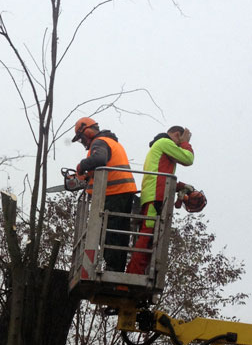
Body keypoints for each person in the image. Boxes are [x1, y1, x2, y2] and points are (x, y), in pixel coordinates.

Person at [72, 116, 137, 272]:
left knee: (109, 232)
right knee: (119, 233)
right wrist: (88, 176)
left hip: (114, 193)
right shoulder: (111, 142)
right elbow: (104, 166)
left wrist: (81, 166)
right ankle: (117, 268)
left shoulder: (99, 142)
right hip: (124, 192)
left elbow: (99, 159)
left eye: (81, 139)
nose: (83, 142)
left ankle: (113, 268)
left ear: (87, 131)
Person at [126, 126, 194, 275]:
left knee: (150, 237)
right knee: (149, 238)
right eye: (180, 140)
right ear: (177, 135)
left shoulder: (159, 147)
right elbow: (188, 159)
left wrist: (181, 186)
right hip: (155, 197)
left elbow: (161, 176)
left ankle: (135, 273)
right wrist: (185, 143)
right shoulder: (165, 142)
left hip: (153, 196)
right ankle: (133, 275)